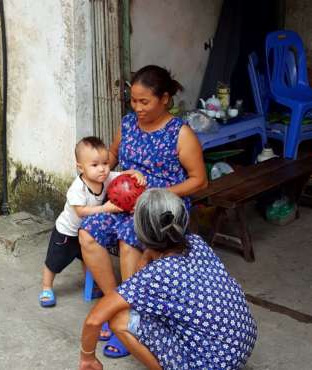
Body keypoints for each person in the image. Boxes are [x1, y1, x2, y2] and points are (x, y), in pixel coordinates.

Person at [79, 65, 208, 348]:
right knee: (87, 231)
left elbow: (199, 181)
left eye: (144, 101)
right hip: (124, 203)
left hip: (161, 210)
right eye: (133, 101)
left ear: (164, 99)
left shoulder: (180, 133)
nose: (137, 107)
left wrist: (154, 195)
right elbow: (113, 153)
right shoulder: (127, 124)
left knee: (129, 241)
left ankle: (133, 320)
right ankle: (119, 307)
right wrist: (96, 173)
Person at [79, 189, 257, 370]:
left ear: (140, 232)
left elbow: (94, 319)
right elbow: (151, 263)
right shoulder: (196, 243)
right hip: (240, 344)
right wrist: (149, 250)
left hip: (209, 364)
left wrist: (87, 358)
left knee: (118, 318)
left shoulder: (156, 275)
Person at [38, 136, 145, 307]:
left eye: (105, 163)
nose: (102, 169)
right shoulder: (77, 188)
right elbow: (81, 212)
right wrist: (105, 208)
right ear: (80, 167)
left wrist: (136, 173)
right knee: (54, 262)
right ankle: (46, 287)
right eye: (95, 165)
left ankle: (94, 284)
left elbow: (125, 175)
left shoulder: (105, 177)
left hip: (85, 231)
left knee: (88, 259)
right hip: (67, 232)